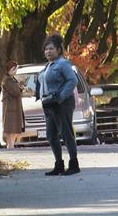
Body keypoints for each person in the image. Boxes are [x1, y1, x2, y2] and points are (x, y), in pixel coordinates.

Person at [36, 33, 79, 175]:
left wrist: (60, 97)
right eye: (46, 49)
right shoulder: (47, 66)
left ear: (59, 50)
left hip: (62, 103)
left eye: (51, 49)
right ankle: (59, 164)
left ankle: (73, 164)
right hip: (49, 104)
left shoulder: (63, 64)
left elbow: (72, 81)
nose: (48, 51)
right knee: (51, 135)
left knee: (66, 133)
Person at [1, 60, 24, 149]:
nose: (15, 72)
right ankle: (10, 146)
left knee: (14, 128)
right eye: (14, 70)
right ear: (10, 70)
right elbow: (15, 91)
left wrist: (20, 86)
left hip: (14, 106)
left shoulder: (12, 79)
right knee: (10, 128)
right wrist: (20, 86)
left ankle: (11, 145)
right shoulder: (7, 80)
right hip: (10, 107)